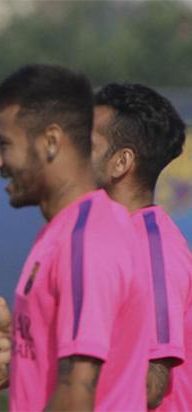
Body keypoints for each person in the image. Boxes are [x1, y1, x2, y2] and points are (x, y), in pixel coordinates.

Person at [0, 64, 152, 410]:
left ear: (51, 142)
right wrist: (20, 336)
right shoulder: (61, 233)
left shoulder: (87, 241)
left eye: (4, 145)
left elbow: (78, 392)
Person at [92, 83, 191, 410]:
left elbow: (149, 384)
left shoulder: (150, 252)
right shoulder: (109, 240)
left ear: (121, 163)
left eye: (86, 142)